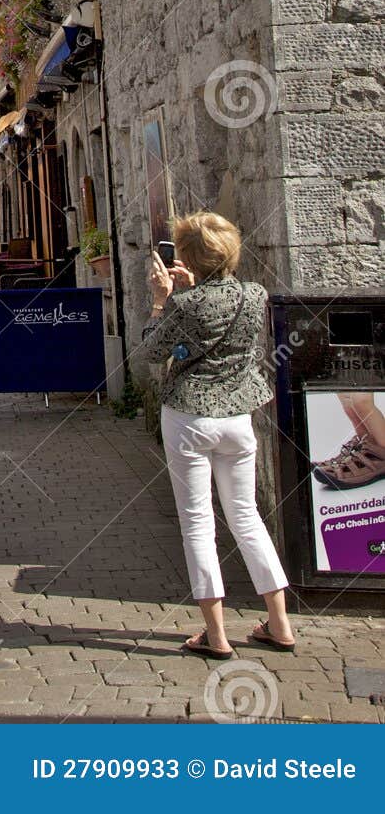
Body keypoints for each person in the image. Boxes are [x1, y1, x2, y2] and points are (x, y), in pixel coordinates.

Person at [132, 211, 294, 659]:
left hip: (189, 415)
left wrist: (162, 301)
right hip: (237, 418)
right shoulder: (254, 294)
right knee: (246, 516)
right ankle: (279, 624)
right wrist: (193, 290)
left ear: (188, 258)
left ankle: (216, 634)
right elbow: (218, 328)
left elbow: (150, 352)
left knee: (198, 522)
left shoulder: (185, 305)